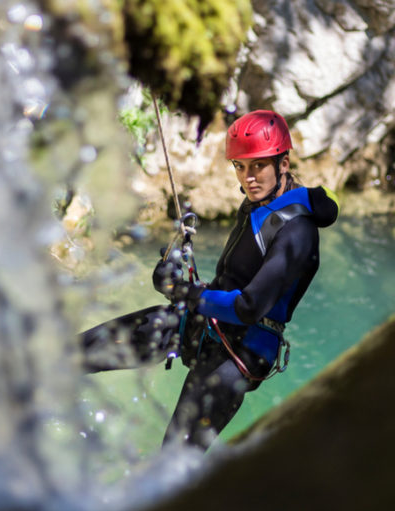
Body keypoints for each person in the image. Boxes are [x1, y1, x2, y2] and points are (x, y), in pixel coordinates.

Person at [80, 109, 339, 451]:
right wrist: (180, 281)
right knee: (81, 352)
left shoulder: (297, 231)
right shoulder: (256, 205)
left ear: (284, 163)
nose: (248, 177)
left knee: (172, 462)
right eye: (241, 166)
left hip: (239, 356)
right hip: (207, 325)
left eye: (258, 165)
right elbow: (232, 282)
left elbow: (249, 306)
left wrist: (184, 292)